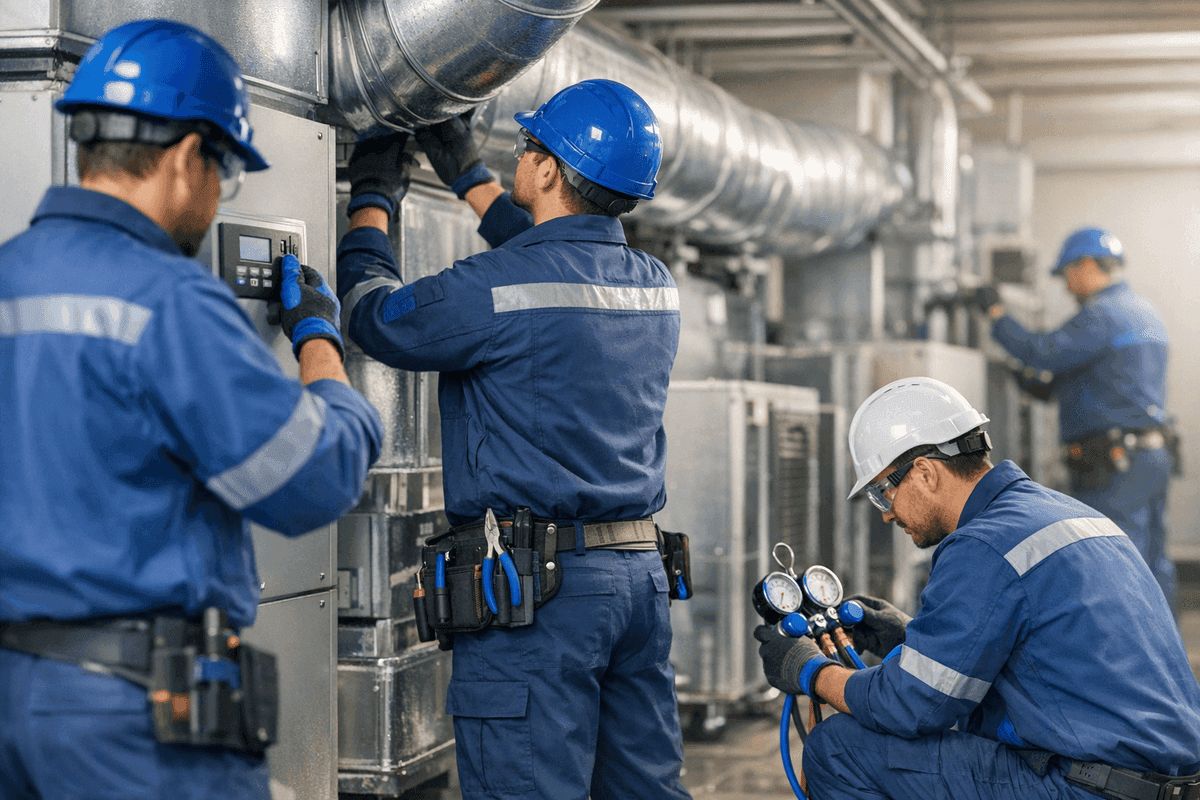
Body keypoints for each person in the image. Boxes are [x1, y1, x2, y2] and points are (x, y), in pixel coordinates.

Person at [0, 20, 383, 800]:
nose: (217, 200)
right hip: (132, 718)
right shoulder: (170, 302)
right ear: (186, 158)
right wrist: (319, 339)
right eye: (225, 174)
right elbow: (314, 475)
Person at [336, 79, 692, 800]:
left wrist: (372, 193)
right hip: (636, 582)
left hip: (539, 600)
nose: (519, 156)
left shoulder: (499, 288)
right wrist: (468, 177)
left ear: (550, 171)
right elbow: (549, 266)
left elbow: (374, 316)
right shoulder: (653, 286)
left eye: (527, 147)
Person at [755, 377, 1200, 800]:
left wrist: (810, 670)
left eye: (882, 494)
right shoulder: (1062, 513)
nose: (887, 515)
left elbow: (911, 707)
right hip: (1162, 780)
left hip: (1088, 787)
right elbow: (1036, 649)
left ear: (925, 473)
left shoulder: (982, 545)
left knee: (840, 749)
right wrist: (909, 636)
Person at [977, 227, 1177, 611]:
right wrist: (1043, 387)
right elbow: (1107, 381)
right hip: (1151, 457)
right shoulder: (1143, 311)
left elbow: (1043, 351)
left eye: (1067, 272)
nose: (1067, 285)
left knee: (1114, 560)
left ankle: (1121, 659)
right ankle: (1162, 652)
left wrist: (996, 314)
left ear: (1086, 265)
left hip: (1115, 467)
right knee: (1153, 560)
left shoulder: (1103, 315)